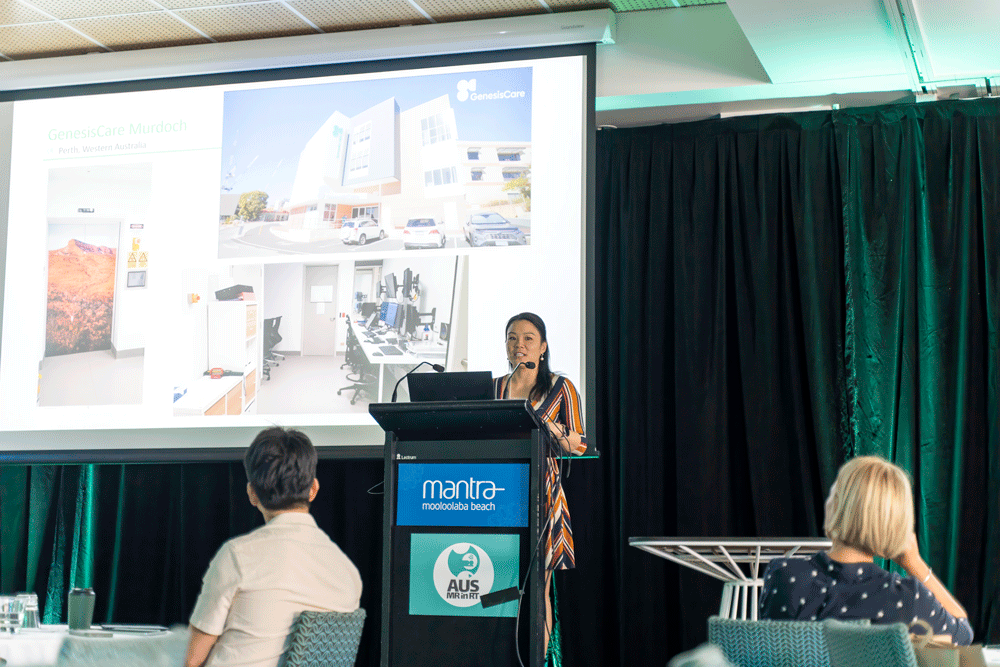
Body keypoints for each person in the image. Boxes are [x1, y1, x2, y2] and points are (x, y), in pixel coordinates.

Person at [185, 427, 362, 667]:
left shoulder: (238, 556)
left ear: (252, 493)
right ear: (313, 489)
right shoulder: (349, 573)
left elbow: (192, 658)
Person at [759, 455, 972, 645]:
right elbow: (963, 633)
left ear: (837, 505)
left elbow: (773, 655)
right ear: (896, 525)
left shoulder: (783, 575)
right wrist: (915, 564)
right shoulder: (908, 597)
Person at [494, 312, 587, 651]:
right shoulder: (494, 387)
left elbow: (579, 444)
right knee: (496, 581)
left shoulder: (561, 388)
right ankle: (495, 651)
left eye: (528, 338)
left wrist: (552, 428)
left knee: (537, 586)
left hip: (541, 492)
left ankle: (538, 656)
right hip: (495, 491)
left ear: (543, 347)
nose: (519, 344)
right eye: (512, 337)